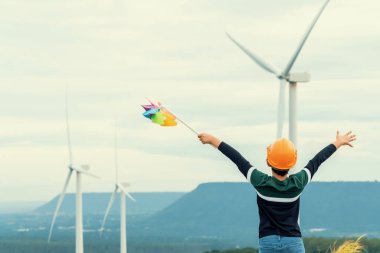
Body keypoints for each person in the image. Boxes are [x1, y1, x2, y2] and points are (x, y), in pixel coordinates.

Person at [198, 131, 356, 253]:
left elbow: (237, 158)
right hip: (293, 242)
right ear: (292, 162)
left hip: (268, 241)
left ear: (268, 161)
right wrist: (338, 142)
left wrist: (212, 140)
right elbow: (317, 160)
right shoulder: (298, 182)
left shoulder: (260, 182)